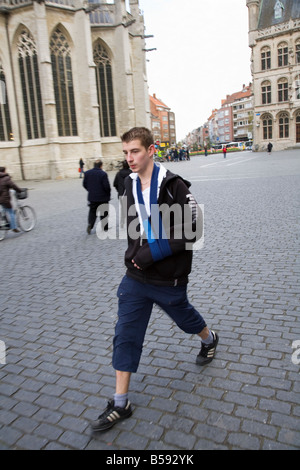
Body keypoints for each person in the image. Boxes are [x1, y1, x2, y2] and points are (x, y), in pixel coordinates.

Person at [91, 127, 219, 432]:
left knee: (185, 318)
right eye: (125, 153)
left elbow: (194, 229)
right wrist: (135, 251)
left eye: (134, 151)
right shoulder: (129, 184)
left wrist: (151, 253)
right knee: (126, 334)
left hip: (168, 279)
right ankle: (121, 402)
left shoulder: (174, 185)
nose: (129, 158)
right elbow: (131, 226)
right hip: (135, 278)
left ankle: (209, 338)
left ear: (151, 150)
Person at [83, 160, 111, 234]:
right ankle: (105, 227)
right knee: (104, 212)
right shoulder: (103, 174)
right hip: (103, 197)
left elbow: (84, 184)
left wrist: (90, 190)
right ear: (101, 166)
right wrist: (108, 194)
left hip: (92, 197)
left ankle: (90, 224)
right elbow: (107, 186)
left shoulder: (87, 173)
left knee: (92, 212)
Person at [0, 166, 22, 233]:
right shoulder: (6, 178)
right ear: (4, 171)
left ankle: (6, 223)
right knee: (11, 212)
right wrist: (19, 190)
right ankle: (14, 227)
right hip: (5, 199)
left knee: (4, 210)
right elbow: (13, 186)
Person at [113, 160, 131, 228]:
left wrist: (119, 190)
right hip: (130, 193)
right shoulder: (131, 173)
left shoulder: (118, 174)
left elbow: (115, 184)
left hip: (121, 194)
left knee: (123, 208)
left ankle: (122, 222)